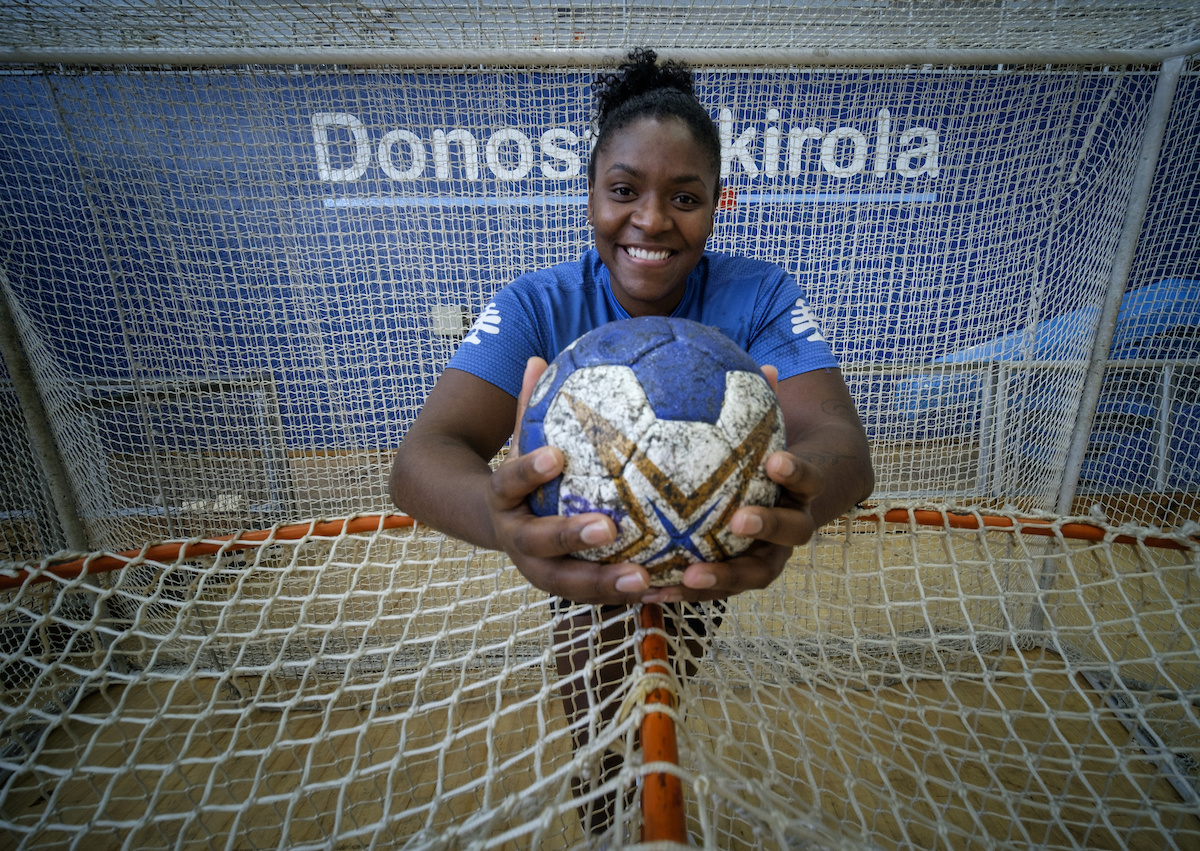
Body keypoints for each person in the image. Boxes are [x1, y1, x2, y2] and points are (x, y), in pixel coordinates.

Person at [390, 48, 874, 835]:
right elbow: (421, 458)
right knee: (605, 688)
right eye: (623, 191)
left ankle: (634, 772)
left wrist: (796, 495)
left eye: (684, 196)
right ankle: (610, 809)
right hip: (585, 555)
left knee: (663, 670)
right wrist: (498, 515)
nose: (650, 220)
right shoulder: (537, 302)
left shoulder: (761, 294)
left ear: (720, 202)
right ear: (590, 196)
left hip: (709, 549)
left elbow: (841, 443)